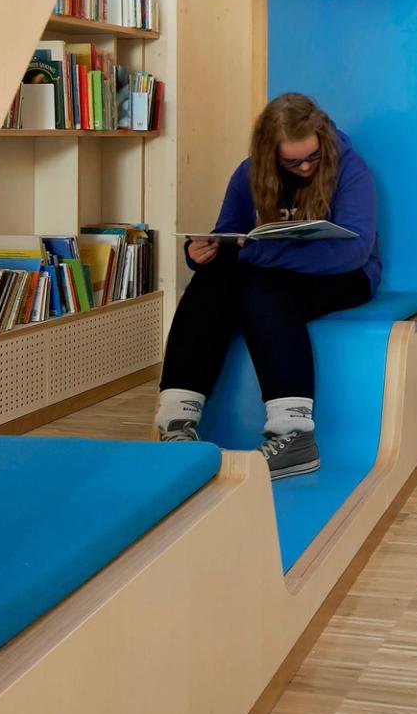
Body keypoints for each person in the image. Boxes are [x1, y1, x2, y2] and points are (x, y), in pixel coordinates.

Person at [155, 92, 380, 475]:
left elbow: (354, 252)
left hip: (346, 276)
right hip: (274, 274)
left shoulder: (350, 168)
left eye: (313, 156)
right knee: (216, 279)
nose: (306, 167)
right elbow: (229, 236)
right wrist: (200, 254)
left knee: (263, 286)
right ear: (269, 154)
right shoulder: (248, 173)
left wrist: (258, 255)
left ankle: (294, 435)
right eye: (292, 161)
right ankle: (176, 423)